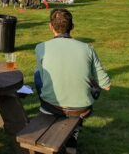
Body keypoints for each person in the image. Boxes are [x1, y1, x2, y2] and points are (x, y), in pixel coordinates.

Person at [35, 9, 111, 149]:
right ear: (72, 26)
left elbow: (42, 77)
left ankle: (62, 123)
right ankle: (74, 130)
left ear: (50, 26)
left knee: (38, 75)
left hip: (51, 105)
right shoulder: (87, 48)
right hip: (80, 108)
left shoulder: (41, 48)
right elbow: (106, 85)